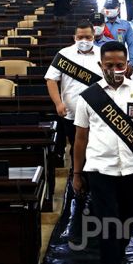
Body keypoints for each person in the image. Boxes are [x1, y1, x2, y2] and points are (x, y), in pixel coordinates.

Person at [73, 41, 133, 264]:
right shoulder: (88, 96)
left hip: (131, 168)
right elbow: (80, 138)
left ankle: (119, 252)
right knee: (107, 222)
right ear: (100, 65)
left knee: (129, 218)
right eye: (109, 65)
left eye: (119, 64)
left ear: (127, 64)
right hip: (99, 169)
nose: (114, 69)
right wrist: (76, 174)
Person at [45, 20, 103, 168]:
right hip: (72, 113)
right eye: (80, 37)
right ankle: (77, 178)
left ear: (94, 36)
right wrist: (58, 103)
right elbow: (51, 79)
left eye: (88, 37)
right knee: (77, 147)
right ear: (74, 37)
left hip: (99, 112)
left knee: (97, 148)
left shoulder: (102, 54)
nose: (84, 41)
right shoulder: (64, 54)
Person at [102, 0, 133, 68]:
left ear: (118, 9)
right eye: (108, 8)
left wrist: (132, 62)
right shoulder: (100, 24)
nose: (110, 10)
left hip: (120, 61)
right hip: (103, 61)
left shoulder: (125, 25)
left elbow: (132, 44)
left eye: (112, 8)